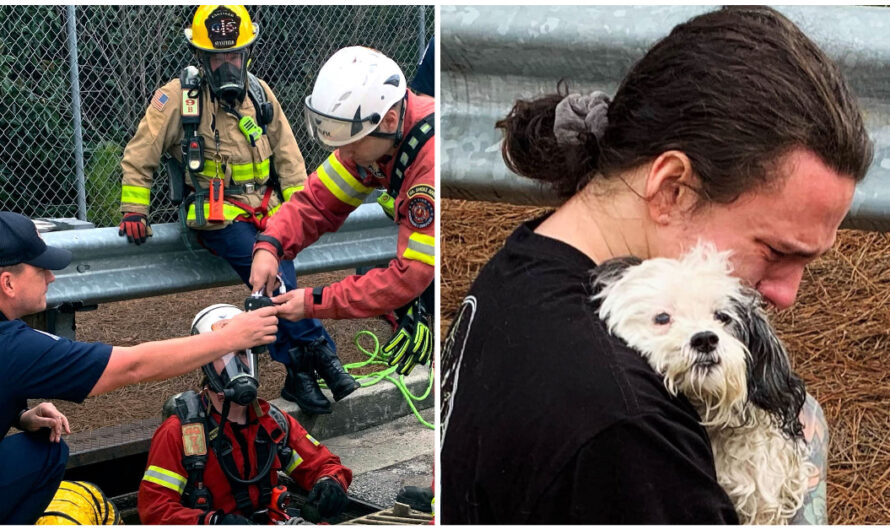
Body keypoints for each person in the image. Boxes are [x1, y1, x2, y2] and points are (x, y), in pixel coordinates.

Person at [440, 6, 872, 524]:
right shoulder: (627, 429)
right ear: (672, 189)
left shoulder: (522, 269)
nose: (785, 294)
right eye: (776, 251)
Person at [117, 5, 356, 415]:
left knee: (276, 275)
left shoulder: (261, 95)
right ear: (201, 58)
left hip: (268, 213)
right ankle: (321, 355)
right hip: (218, 217)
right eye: (217, 57)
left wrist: (299, 218)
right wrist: (133, 208)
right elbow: (141, 153)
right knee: (272, 273)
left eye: (234, 56)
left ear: (246, 53)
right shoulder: (176, 98)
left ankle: (299, 373)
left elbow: (289, 160)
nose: (227, 65)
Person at [0, 211, 278, 524]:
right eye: (41, 269)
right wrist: (230, 338)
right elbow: (133, 366)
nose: (51, 277)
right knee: (47, 454)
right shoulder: (12, 346)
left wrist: (19, 416)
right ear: (7, 283)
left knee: (37, 446)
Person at [249, 46, 435, 377]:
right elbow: (314, 204)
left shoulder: (430, 165)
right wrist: (270, 245)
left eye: (351, 140)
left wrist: (315, 302)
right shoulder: (373, 143)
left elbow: (410, 276)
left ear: (389, 120)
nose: (342, 150)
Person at [138, 304, 352, 525]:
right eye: (223, 354)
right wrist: (213, 523)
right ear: (205, 362)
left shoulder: (272, 422)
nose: (236, 364)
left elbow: (324, 464)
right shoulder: (179, 433)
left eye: (242, 352)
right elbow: (155, 511)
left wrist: (330, 483)